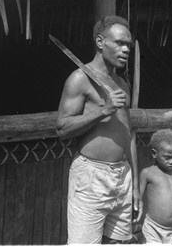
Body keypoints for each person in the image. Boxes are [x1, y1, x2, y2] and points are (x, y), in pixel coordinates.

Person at [56, 15, 139, 244]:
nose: (126, 49)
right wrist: (103, 110)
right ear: (100, 42)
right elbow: (62, 128)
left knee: (119, 243)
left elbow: (128, 133)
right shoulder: (79, 79)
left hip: (123, 175)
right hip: (91, 176)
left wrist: (135, 186)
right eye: (120, 43)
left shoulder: (121, 83)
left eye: (128, 45)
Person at [138, 129, 172, 244]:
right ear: (154, 153)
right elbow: (138, 198)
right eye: (167, 157)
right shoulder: (147, 173)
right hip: (153, 229)